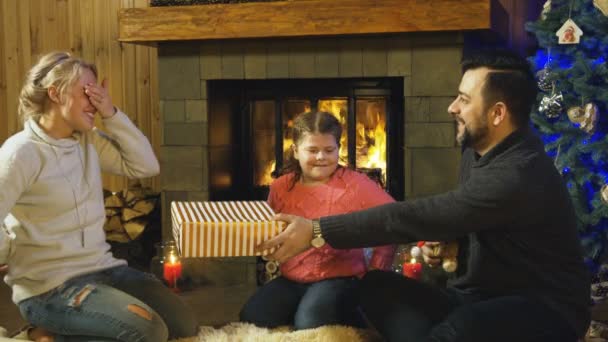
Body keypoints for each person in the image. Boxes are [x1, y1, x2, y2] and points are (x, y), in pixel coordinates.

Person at [258, 49, 591, 341]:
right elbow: (476, 219)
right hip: (478, 296)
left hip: (544, 306)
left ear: (498, 113)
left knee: (462, 327)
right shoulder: (477, 151)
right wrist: (454, 243)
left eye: (464, 99)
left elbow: (415, 216)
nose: (452, 107)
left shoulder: (518, 173)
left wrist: (317, 230)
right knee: (375, 286)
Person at [0, 51, 197, 341]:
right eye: (87, 92)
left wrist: (111, 113)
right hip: (50, 289)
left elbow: (145, 165)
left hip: (103, 271)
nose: (96, 101)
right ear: (55, 93)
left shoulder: (88, 142)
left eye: (99, 94)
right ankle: (43, 334)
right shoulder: (21, 153)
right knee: (149, 331)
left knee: (183, 325)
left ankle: (62, 332)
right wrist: (7, 252)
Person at [240, 111, 396, 330]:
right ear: (295, 151)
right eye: (312, 150)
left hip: (341, 278)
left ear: (338, 149)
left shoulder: (356, 185)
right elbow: (272, 229)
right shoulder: (280, 187)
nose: (321, 157)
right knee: (252, 316)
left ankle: (355, 317)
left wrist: (375, 272)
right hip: (292, 278)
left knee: (310, 322)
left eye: (329, 150)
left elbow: (392, 219)